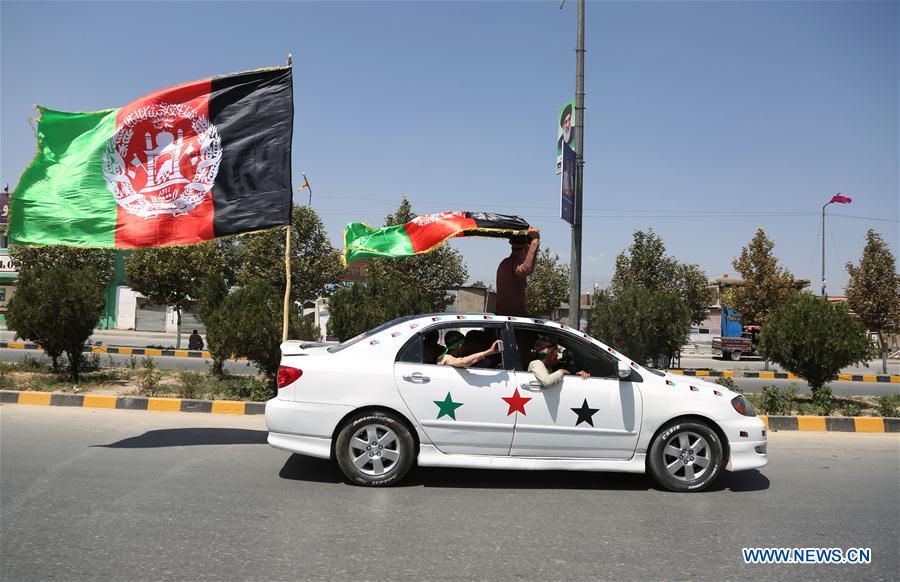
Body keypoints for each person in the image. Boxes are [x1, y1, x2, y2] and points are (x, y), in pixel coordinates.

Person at [495, 226, 540, 316]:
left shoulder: (504, 263)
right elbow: (525, 269)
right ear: (527, 248)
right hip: (514, 320)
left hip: (505, 319)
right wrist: (535, 241)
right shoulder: (514, 265)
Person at [438, 330, 502, 368]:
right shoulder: (448, 358)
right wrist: (489, 352)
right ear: (460, 346)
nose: (470, 349)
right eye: (468, 346)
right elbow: (463, 362)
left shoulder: (446, 352)